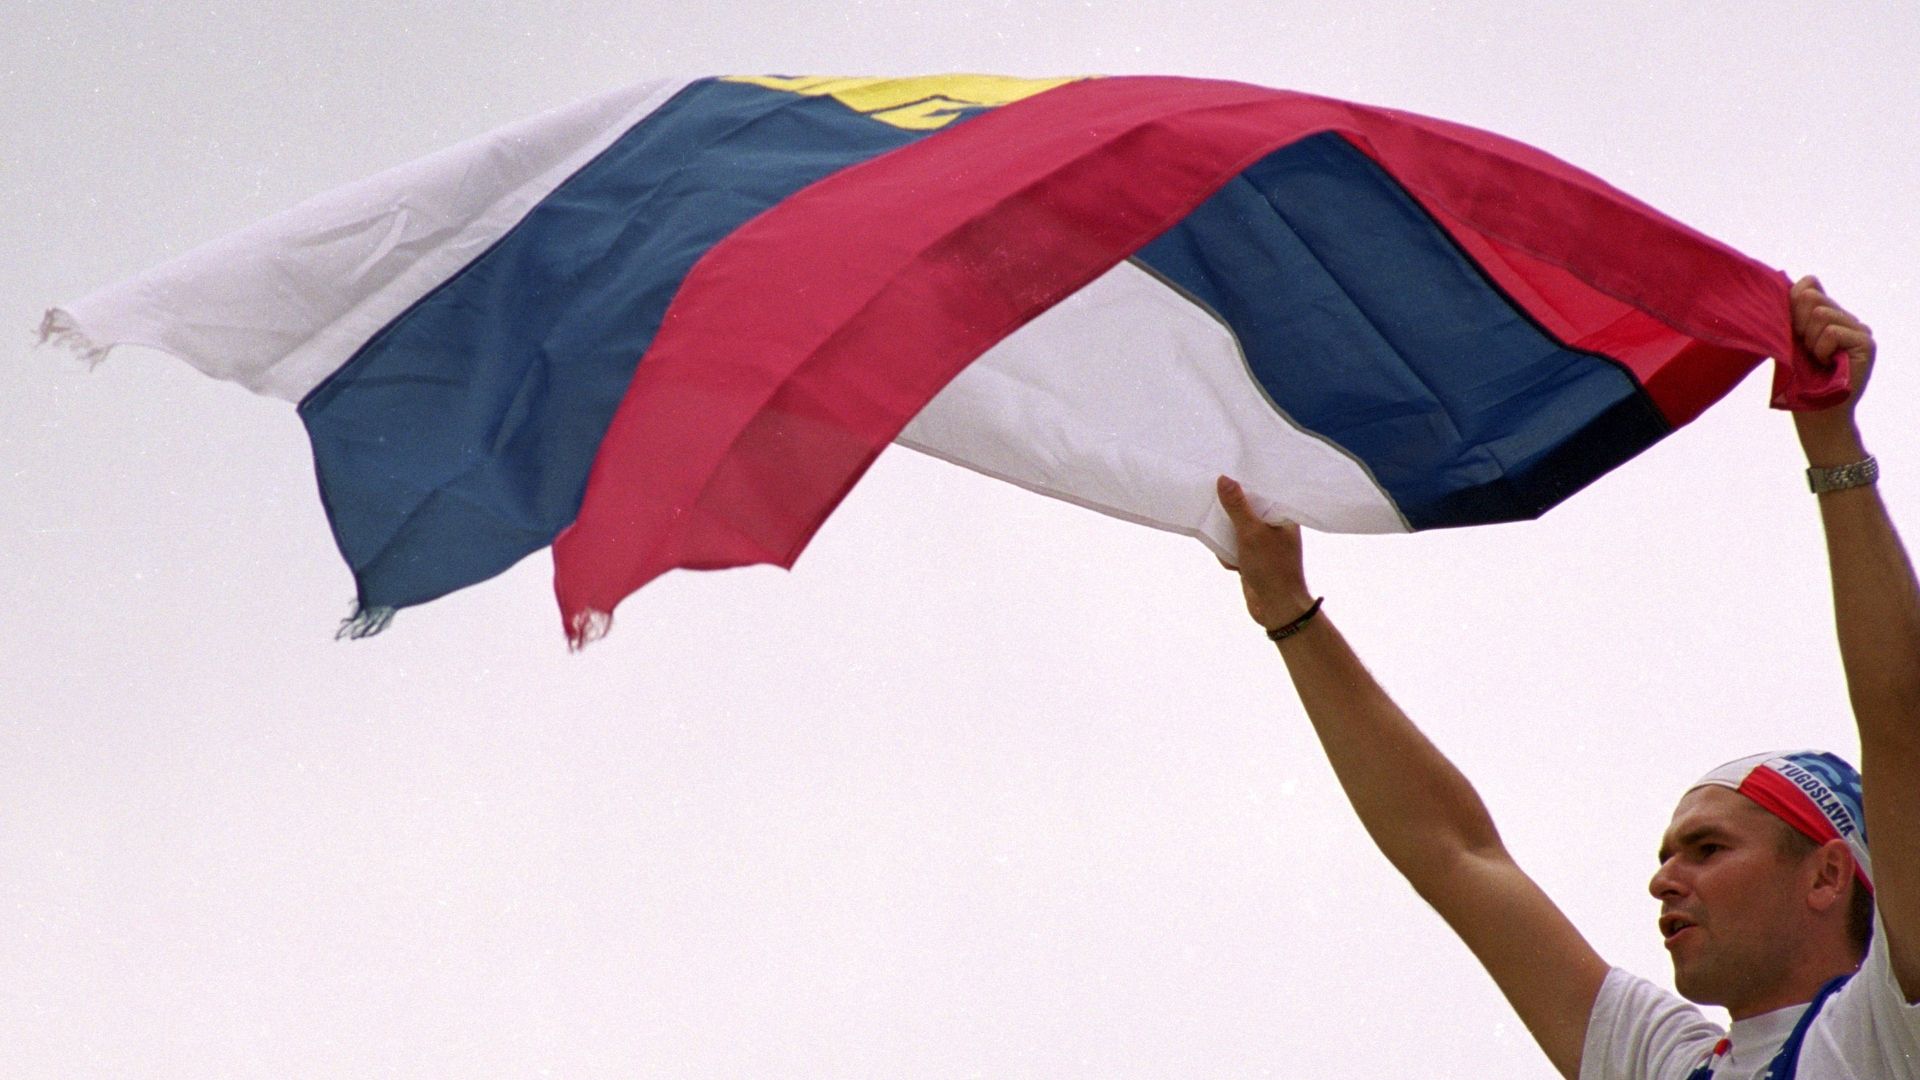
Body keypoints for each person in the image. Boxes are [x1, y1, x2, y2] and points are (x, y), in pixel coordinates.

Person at [1215, 276, 1918, 1079]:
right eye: (1674, 853)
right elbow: (1455, 852)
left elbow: (1900, 723)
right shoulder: (1661, 1061)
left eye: (1708, 848)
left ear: (1827, 875)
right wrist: (1291, 615)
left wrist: (1831, 442)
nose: (1663, 881)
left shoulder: (1885, 1030)